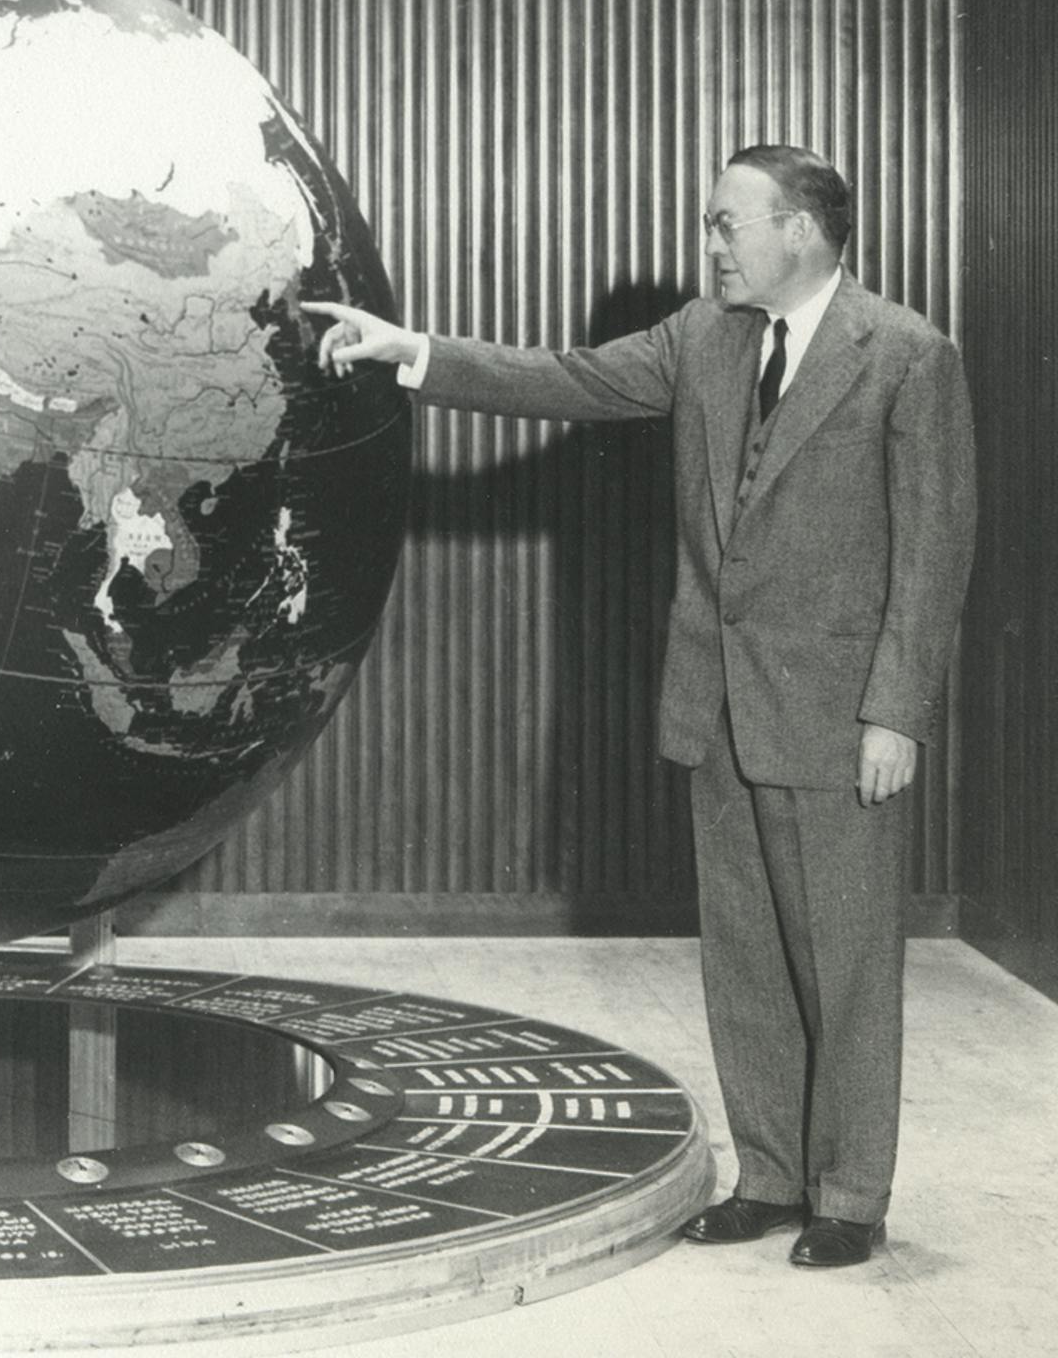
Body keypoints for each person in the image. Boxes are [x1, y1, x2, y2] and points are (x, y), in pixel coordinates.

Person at [307, 145, 976, 1269]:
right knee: (746, 955)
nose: (709, 243)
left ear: (800, 231)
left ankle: (851, 1195)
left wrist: (896, 713)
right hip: (715, 705)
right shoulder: (700, 340)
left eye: (727, 224)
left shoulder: (908, 356)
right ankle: (769, 1178)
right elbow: (562, 377)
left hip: (839, 714)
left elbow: (934, 554)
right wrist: (408, 353)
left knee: (847, 964)